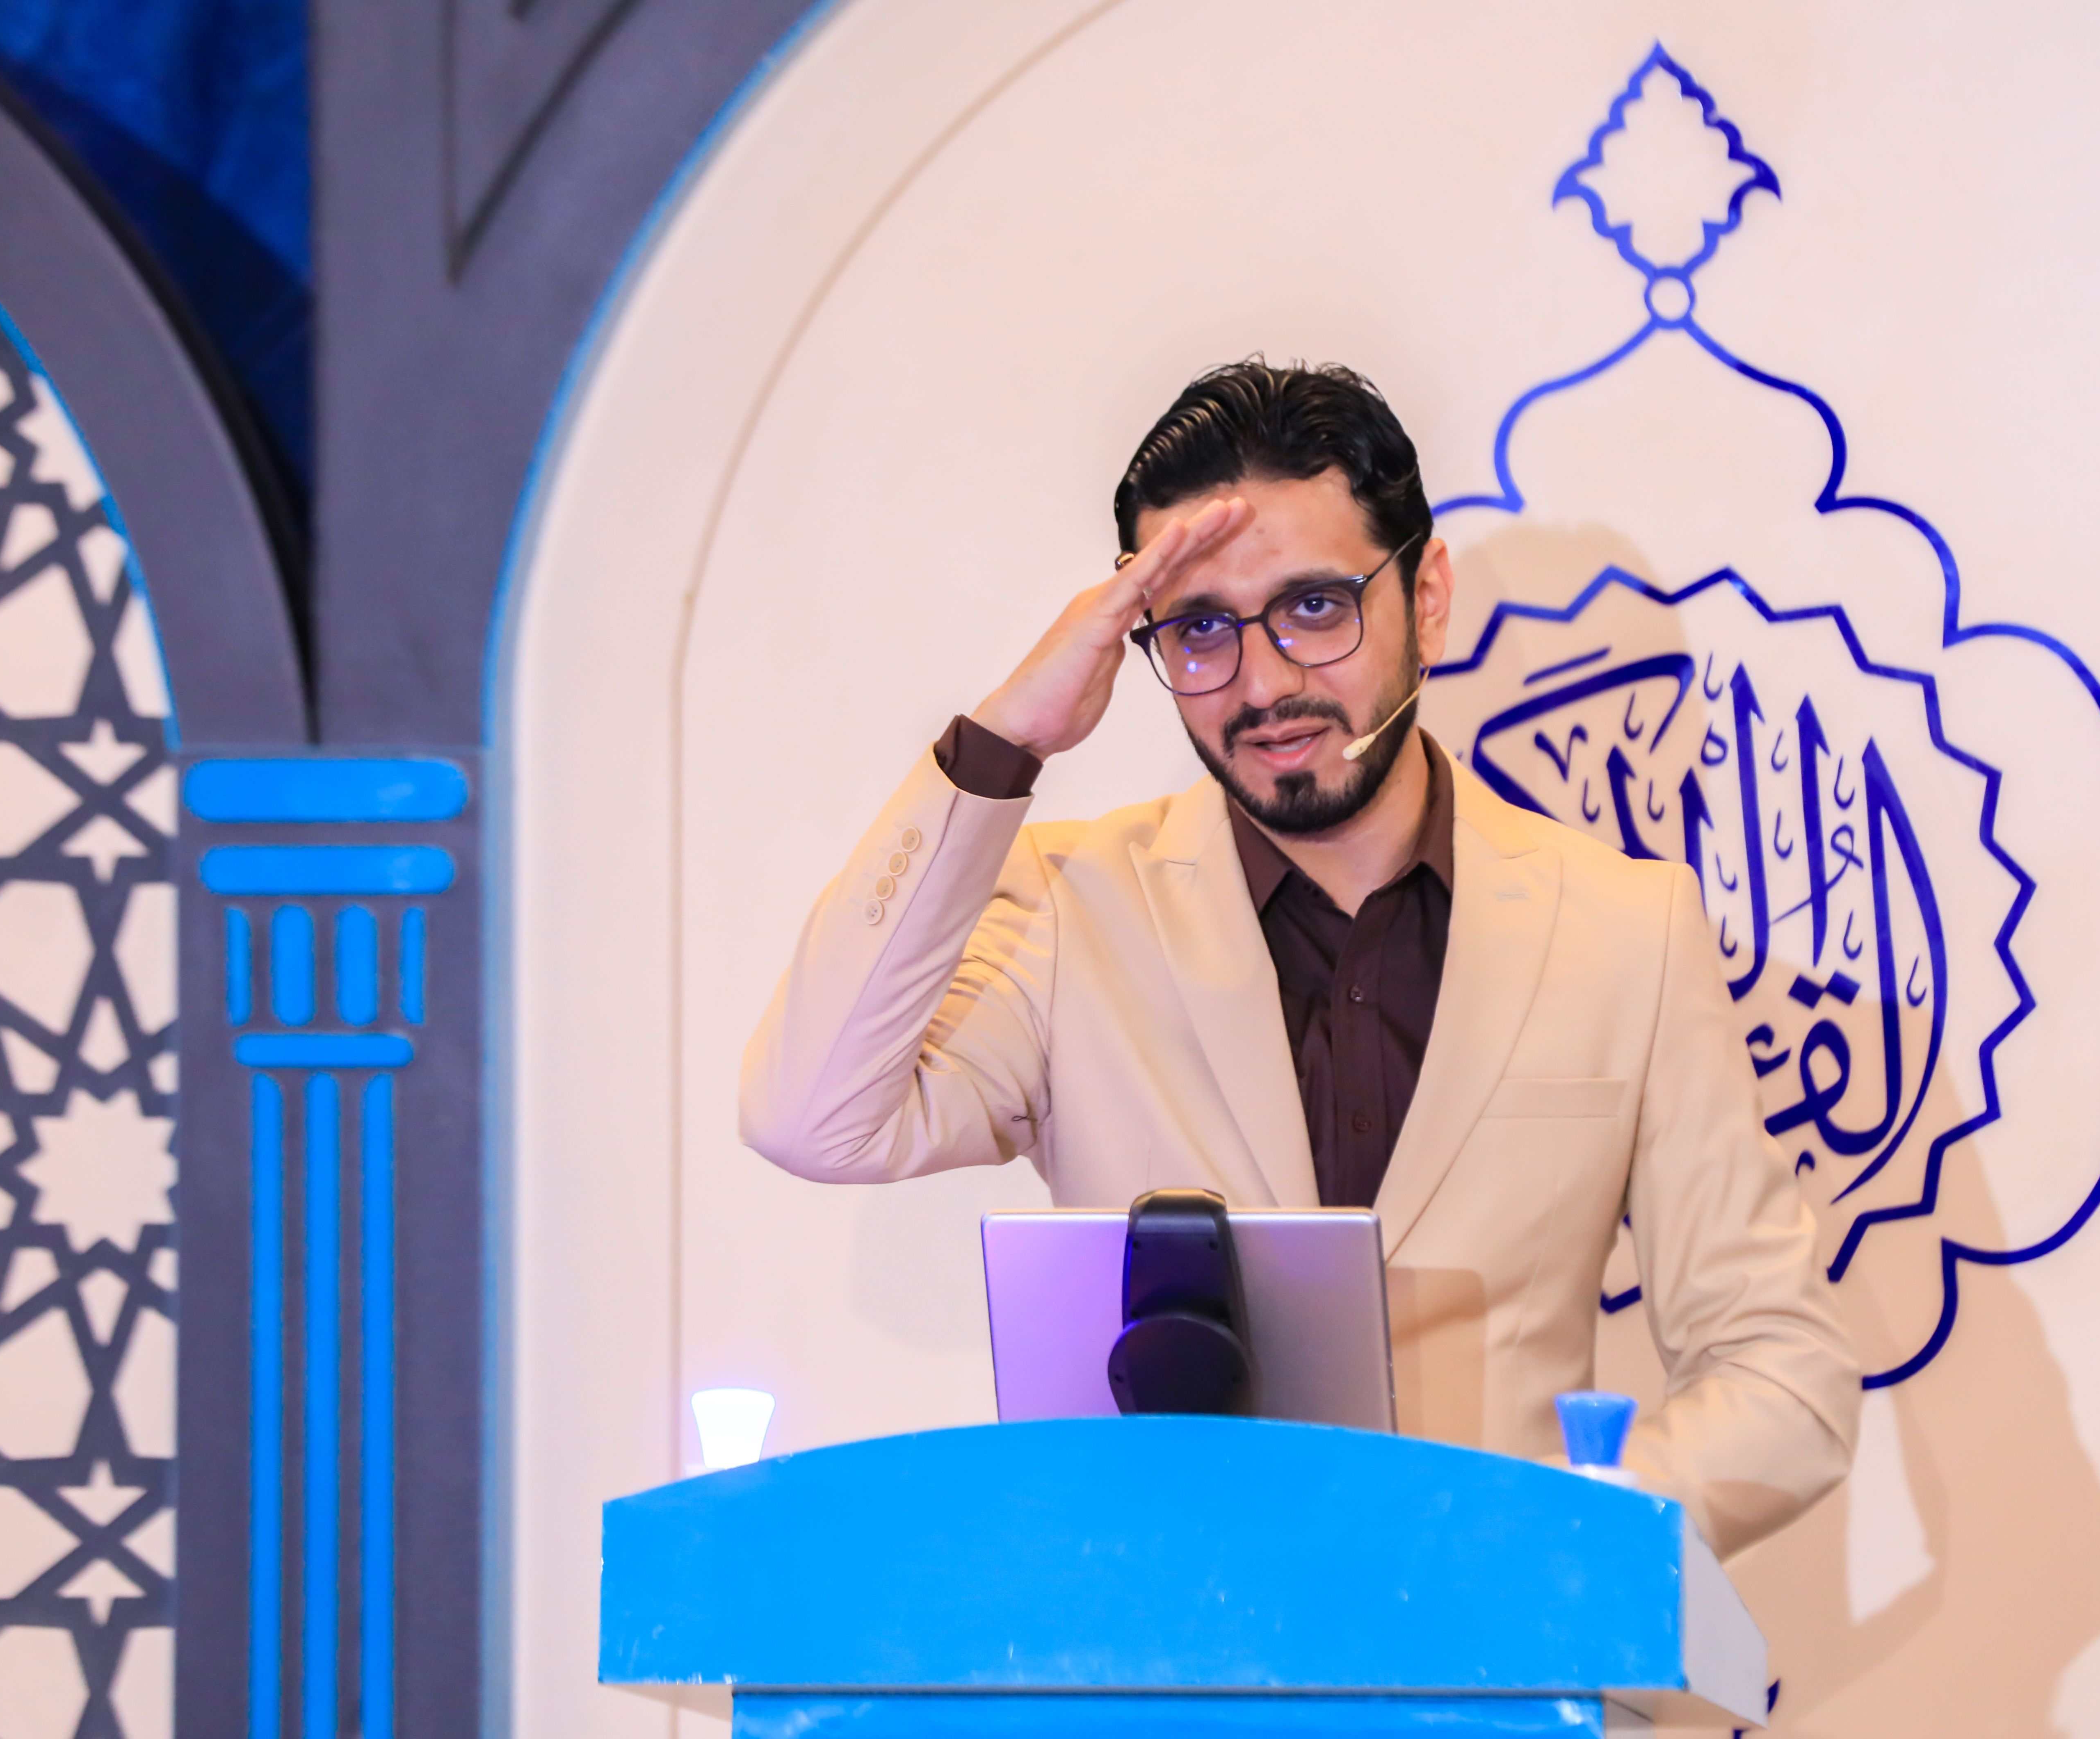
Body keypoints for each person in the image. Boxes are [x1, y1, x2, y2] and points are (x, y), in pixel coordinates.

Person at [740, 360, 1857, 1555]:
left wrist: (1545, 1547)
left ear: (1427, 598)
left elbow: (1780, 1370)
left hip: (1494, 1652)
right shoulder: (1070, 909)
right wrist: (1008, 738)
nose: (1265, 684)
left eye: (1315, 608)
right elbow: (815, 1119)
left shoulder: (1626, 929)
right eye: (1200, 630)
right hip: (1166, 1649)